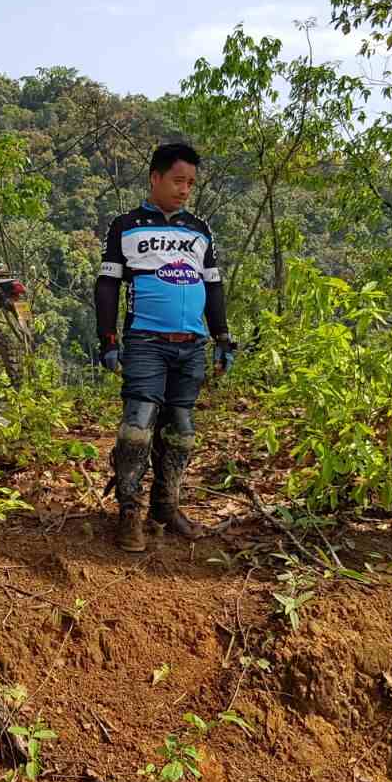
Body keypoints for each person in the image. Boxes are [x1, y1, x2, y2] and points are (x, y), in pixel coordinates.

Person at [95, 142, 236, 553]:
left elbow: (213, 285)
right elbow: (107, 284)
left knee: (181, 431)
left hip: (191, 344)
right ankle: (129, 512)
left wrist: (222, 336)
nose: (185, 189)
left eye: (191, 183)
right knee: (137, 427)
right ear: (155, 178)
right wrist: (108, 338)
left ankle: (165, 505)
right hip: (144, 341)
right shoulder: (126, 225)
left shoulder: (198, 230)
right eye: (178, 180)